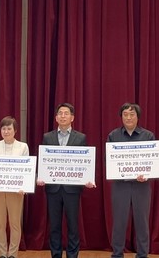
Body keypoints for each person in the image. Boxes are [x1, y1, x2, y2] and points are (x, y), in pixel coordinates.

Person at [37, 103, 95, 258]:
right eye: (60, 113)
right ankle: (55, 254)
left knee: (73, 226)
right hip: (53, 188)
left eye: (66, 113)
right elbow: (43, 161)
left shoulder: (81, 137)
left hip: (72, 189)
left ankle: (72, 255)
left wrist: (87, 178)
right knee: (54, 226)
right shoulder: (47, 137)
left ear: (72, 117)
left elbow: (84, 163)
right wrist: (40, 176)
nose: (63, 116)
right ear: (56, 118)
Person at [106, 103, 155, 258]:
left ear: (138, 117)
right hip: (120, 186)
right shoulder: (113, 135)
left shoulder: (148, 136)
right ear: (121, 117)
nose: (128, 117)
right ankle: (117, 254)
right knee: (119, 222)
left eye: (132, 114)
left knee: (142, 222)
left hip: (142, 186)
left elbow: (153, 161)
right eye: (125, 114)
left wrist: (147, 173)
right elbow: (109, 161)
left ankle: (142, 254)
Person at [0, 116, 30, 258]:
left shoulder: (23, 146)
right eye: (3, 128)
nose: (6, 131)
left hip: (16, 191)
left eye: (9, 128)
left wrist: (24, 186)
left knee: (14, 223)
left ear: (15, 130)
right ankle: (2, 253)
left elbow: (26, 169)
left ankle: (12, 254)